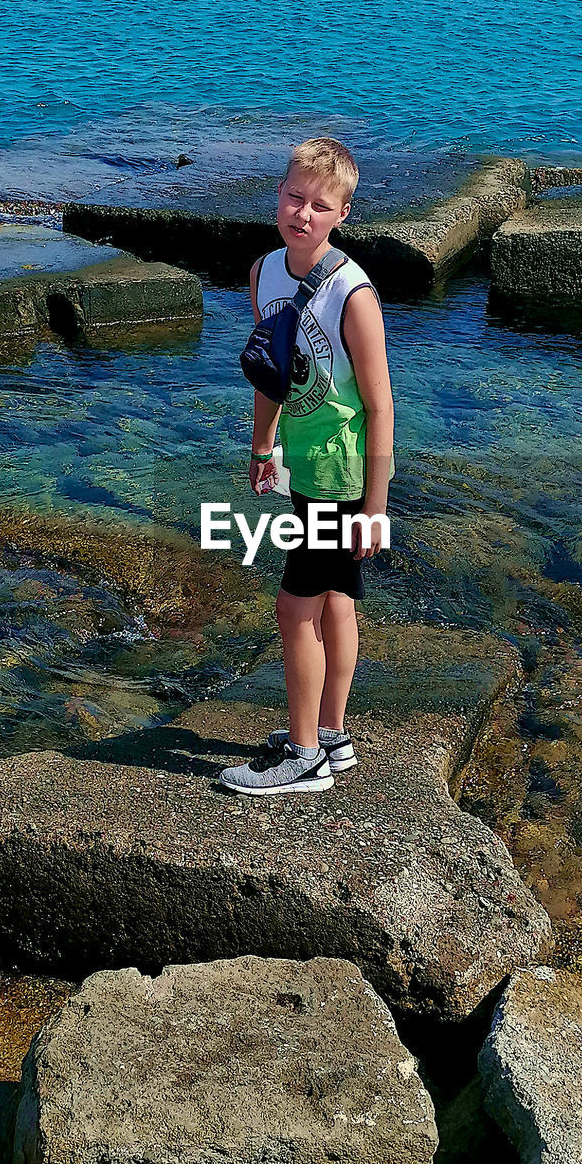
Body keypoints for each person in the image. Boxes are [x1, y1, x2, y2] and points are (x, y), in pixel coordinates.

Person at [220, 137, 394, 795]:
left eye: (320, 206)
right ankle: (331, 735)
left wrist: (375, 509)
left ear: (342, 213)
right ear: (279, 194)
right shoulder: (266, 272)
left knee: (295, 608)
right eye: (294, 197)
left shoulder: (353, 296)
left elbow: (381, 407)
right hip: (301, 464)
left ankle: (302, 759)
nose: (303, 213)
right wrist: (262, 446)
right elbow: (273, 369)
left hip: (342, 475)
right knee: (337, 602)